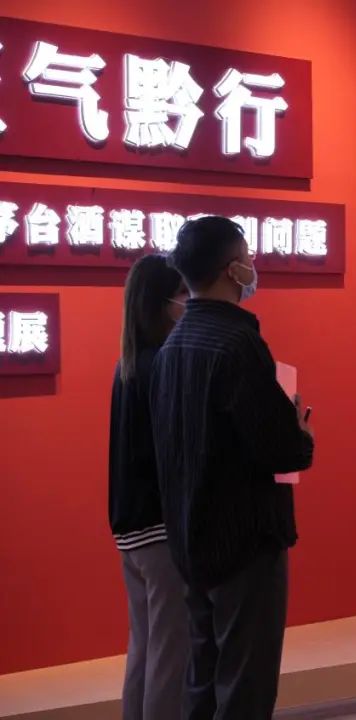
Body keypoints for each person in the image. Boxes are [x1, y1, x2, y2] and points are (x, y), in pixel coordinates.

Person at [150, 216, 314, 719]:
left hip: (191, 535)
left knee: (202, 678)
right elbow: (282, 449)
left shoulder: (173, 345)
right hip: (244, 540)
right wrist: (299, 432)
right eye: (247, 257)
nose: (253, 266)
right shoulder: (238, 343)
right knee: (245, 683)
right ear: (231, 270)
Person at [109, 254, 190, 720]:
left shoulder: (128, 366)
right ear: (162, 303)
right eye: (183, 295)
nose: (188, 304)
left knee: (144, 644)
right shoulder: (163, 365)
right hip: (160, 527)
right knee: (171, 653)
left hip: (130, 528)